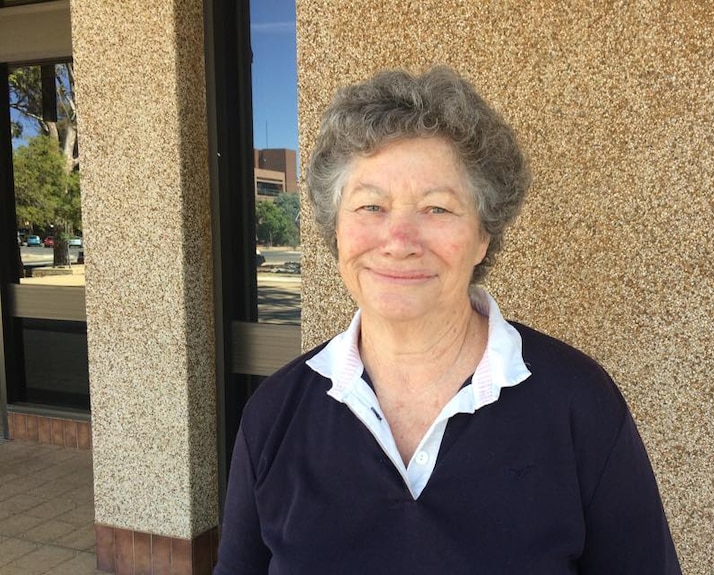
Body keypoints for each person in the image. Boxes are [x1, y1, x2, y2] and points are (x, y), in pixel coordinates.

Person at [215, 66, 682, 574]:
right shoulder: (273, 416)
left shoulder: (580, 405)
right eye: (371, 205)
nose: (399, 239)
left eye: (437, 209)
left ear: (484, 236)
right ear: (336, 230)